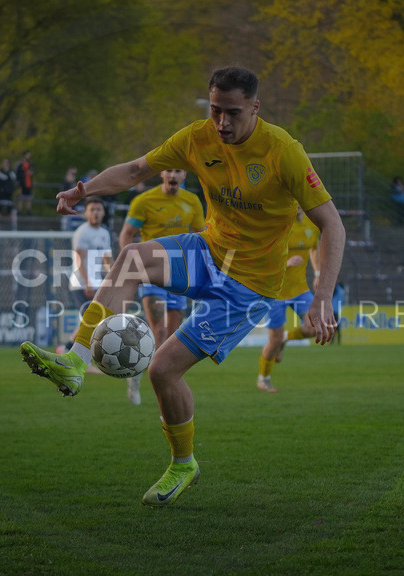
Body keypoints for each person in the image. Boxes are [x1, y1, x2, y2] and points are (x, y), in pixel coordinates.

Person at [20, 66, 344, 507]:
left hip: (249, 286)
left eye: (232, 113)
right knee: (131, 257)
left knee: (161, 370)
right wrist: (83, 190)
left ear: (255, 107)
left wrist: (322, 295)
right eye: (215, 110)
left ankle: (183, 462)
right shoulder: (197, 137)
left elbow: (332, 225)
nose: (222, 123)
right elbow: (136, 169)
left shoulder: (283, 151)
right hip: (209, 252)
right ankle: (75, 363)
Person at [118, 168, 206, 405]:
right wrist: (134, 266)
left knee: (172, 337)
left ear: (185, 175)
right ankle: (162, 390)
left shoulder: (192, 201)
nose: (174, 175)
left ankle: (139, 370)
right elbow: (127, 235)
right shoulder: (144, 201)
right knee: (159, 330)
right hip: (152, 275)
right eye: (169, 170)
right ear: (162, 174)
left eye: (179, 171)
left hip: (180, 277)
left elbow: (202, 235)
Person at [256, 207, 319, 393]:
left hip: (300, 289)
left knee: (314, 327)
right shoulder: (277, 225)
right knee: (273, 342)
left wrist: (318, 273)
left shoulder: (312, 225)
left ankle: (286, 337)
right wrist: (286, 263)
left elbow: (315, 248)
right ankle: (264, 378)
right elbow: (263, 257)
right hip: (275, 292)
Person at [63, 196, 112, 355]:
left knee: (91, 321)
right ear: (86, 213)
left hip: (96, 283)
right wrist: (88, 282)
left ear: (103, 212)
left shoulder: (105, 233)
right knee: (91, 322)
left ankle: (67, 349)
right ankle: (81, 358)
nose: (96, 213)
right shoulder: (82, 232)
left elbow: (107, 259)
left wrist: (116, 277)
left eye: (98, 209)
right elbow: (79, 259)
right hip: (81, 284)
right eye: (92, 210)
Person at [15, 150, 34, 215]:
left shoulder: (30, 164)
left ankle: (28, 211)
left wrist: (30, 173)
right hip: (21, 184)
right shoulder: (20, 164)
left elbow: (32, 172)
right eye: (28, 155)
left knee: (29, 197)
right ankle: (19, 211)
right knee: (20, 197)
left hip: (28, 184)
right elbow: (17, 174)